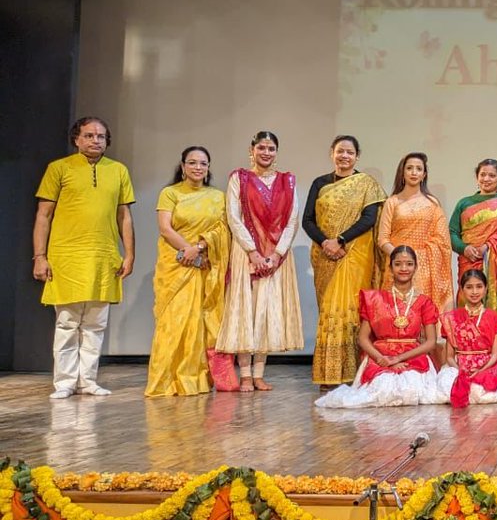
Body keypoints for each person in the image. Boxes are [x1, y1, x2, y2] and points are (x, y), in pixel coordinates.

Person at [33, 117, 135, 399]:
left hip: (104, 256)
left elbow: (124, 215)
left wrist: (130, 254)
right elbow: (44, 214)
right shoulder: (59, 168)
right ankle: (64, 382)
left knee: (96, 324)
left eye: (101, 136)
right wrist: (39, 256)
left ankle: (88, 381)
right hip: (66, 257)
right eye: (89, 135)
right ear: (76, 139)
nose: (95, 141)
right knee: (67, 323)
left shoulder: (118, 171)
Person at [215, 131, 304, 392]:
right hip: (246, 255)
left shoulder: (287, 181)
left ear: (277, 152)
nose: (266, 152)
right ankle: (244, 375)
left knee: (266, 310)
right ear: (251, 150)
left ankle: (258, 374)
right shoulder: (239, 179)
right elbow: (234, 217)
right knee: (246, 310)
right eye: (262, 147)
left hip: (277, 257)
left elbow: (292, 220)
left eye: (271, 148)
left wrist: (276, 254)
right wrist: (253, 251)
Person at [315, 246, 452, 408]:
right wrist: (383, 359)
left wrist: (399, 358)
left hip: (413, 357)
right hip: (380, 356)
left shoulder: (424, 302)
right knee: (384, 389)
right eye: (398, 264)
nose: (403, 268)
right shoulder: (375, 299)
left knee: (411, 390)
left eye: (409, 264)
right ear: (390, 267)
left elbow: (430, 342)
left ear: (415, 267)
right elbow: (362, 338)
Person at [302, 135, 386, 387]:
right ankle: (329, 374)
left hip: (355, 255)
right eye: (340, 151)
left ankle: (356, 372)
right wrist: (326, 242)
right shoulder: (320, 183)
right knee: (329, 311)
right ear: (332, 153)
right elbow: (308, 220)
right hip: (324, 256)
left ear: (357, 156)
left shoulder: (366, 184)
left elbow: (369, 218)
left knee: (353, 312)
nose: (345, 156)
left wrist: (339, 240)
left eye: (350, 152)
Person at [145, 146, 230, 397]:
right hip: (175, 265)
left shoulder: (217, 196)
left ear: (208, 167)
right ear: (182, 166)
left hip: (205, 265)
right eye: (192, 163)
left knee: (198, 323)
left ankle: (195, 379)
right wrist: (188, 250)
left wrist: (201, 246)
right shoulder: (169, 193)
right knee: (172, 322)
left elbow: (223, 230)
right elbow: (165, 228)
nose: (197, 168)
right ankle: (165, 380)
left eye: (203, 163)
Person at [448, 159, 497, 369]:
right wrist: (464, 248)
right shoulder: (464, 203)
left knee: (495, 312)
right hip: (470, 264)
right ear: (477, 176)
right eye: (483, 174)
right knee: (467, 309)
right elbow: (452, 233)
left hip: (496, 269)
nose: (486, 179)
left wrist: (488, 247)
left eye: (492, 175)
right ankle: (465, 361)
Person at [377, 152, 453, 313]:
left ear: (424, 174)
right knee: (396, 314)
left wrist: (416, 259)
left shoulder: (432, 203)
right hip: (397, 267)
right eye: (409, 168)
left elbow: (442, 240)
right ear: (402, 173)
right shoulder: (392, 202)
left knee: (421, 315)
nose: (414, 172)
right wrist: (401, 257)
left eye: (419, 169)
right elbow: (383, 239)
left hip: (424, 267)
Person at [442, 269, 497, 408]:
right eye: (469, 287)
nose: (474, 292)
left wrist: (480, 371)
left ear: (486, 289)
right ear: (461, 290)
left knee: (482, 392)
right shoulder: (451, 318)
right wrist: (460, 371)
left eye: (479, 286)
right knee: (447, 388)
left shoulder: (494, 317)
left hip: (486, 366)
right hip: (459, 366)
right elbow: (449, 356)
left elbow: (495, 354)